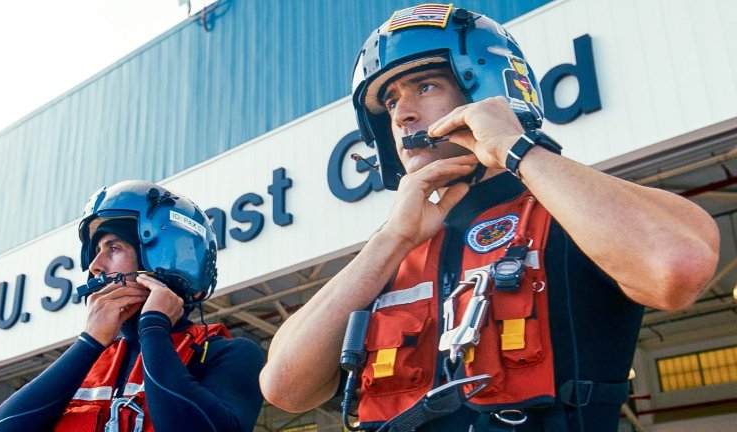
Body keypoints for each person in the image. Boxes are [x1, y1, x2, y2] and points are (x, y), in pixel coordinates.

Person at [260, 4, 719, 432]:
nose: (403, 114)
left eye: (425, 86)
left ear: (486, 88)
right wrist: (390, 241)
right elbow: (284, 387)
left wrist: (516, 148)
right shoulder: (397, 247)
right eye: (391, 101)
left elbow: (677, 267)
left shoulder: (572, 212)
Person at [0, 180, 263, 432]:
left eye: (113, 248)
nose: (95, 266)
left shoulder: (229, 354)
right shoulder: (91, 363)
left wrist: (153, 325)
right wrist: (89, 341)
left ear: (164, 257)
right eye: (96, 252)